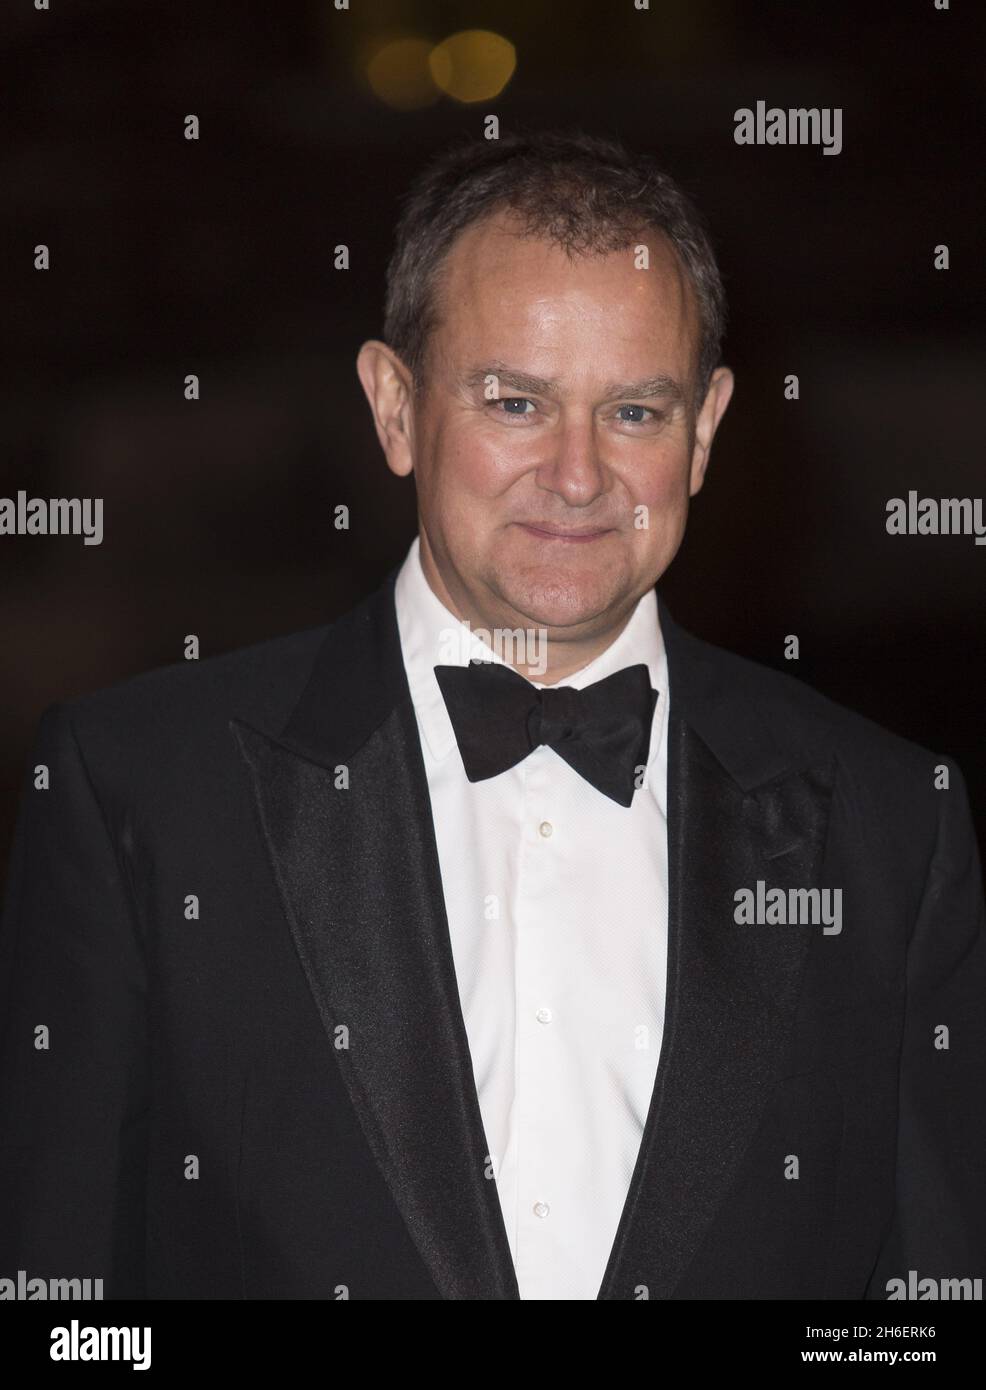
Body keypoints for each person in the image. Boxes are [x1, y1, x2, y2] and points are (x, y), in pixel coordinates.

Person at [1, 130, 983, 1301]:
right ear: (395, 406)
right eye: (515, 402)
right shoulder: (137, 792)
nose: (576, 476)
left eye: (633, 411)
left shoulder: (890, 828)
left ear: (707, 427)